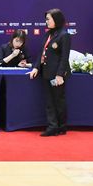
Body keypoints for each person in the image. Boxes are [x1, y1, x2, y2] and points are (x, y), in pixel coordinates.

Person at [29, 9, 71, 137]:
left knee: (58, 100)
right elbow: (41, 53)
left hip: (57, 74)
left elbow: (64, 57)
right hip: (46, 72)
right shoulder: (48, 34)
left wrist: (59, 74)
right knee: (49, 101)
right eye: (46, 19)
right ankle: (53, 126)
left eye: (48, 19)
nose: (46, 21)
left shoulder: (64, 35)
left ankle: (61, 126)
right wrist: (36, 67)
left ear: (56, 19)